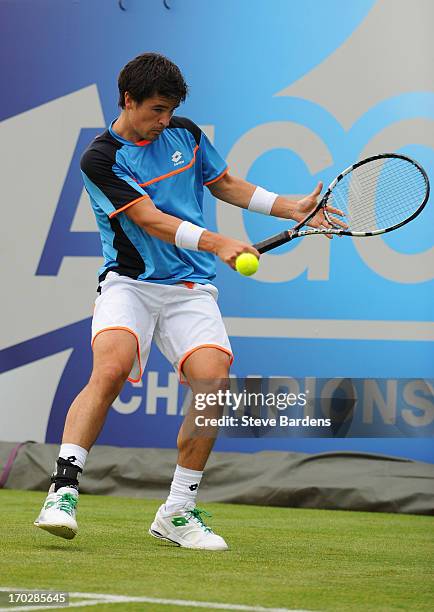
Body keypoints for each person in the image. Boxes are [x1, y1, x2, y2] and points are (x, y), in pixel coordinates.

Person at [34, 53, 344, 550]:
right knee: (110, 369)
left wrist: (293, 206)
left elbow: (225, 185)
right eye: (155, 110)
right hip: (129, 284)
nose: (163, 121)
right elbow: (150, 219)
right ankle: (64, 490)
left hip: (189, 290)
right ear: (128, 101)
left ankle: (177, 511)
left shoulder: (185, 134)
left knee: (213, 382)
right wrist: (219, 243)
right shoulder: (100, 158)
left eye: (170, 110)